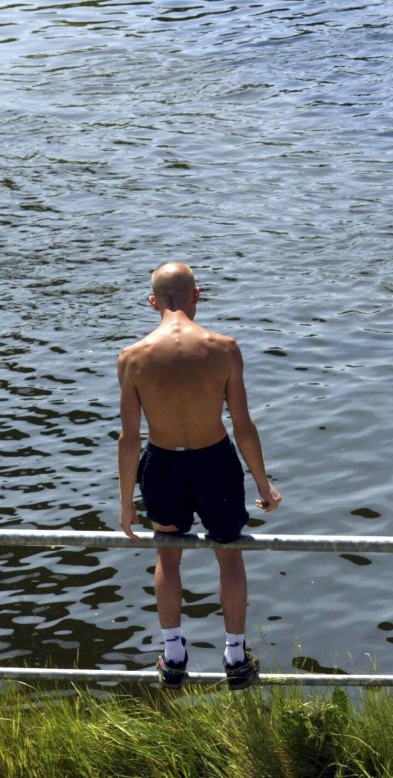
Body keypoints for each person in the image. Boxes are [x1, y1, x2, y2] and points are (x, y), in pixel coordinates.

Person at [117, 261, 282, 691]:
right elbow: (243, 425)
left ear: (153, 301)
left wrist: (124, 505)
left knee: (167, 555)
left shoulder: (132, 358)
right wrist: (262, 482)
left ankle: (173, 655)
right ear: (197, 295)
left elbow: (129, 439)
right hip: (215, 463)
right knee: (229, 555)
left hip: (163, 464)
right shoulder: (223, 348)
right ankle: (234, 656)